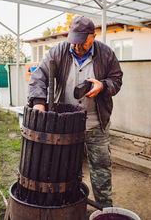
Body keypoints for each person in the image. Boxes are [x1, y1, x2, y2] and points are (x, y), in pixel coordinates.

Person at [28, 16, 123, 207]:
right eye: (74, 42)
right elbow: (39, 77)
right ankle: (70, 208)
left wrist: (103, 86)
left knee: (101, 170)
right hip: (66, 125)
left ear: (92, 37)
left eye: (82, 43)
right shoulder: (57, 52)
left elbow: (117, 81)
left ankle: (105, 210)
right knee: (66, 169)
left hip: (97, 124)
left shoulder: (106, 54)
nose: (77, 47)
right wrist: (38, 103)